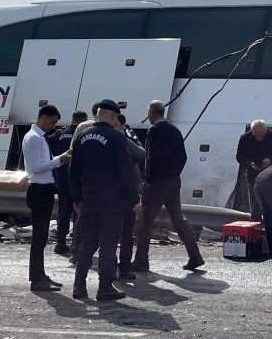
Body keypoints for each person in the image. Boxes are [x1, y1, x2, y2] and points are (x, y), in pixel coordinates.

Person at [69, 99, 141, 301]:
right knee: (108, 245)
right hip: (112, 202)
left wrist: (76, 198)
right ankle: (105, 288)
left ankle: (79, 287)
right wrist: (134, 199)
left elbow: (73, 171)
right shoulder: (116, 137)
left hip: (89, 200)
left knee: (87, 244)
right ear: (112, 116)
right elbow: (125, 172)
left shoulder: (82, 136)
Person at [132, 100, 204, 272]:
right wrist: (174, 174)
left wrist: (147, 182)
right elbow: (183, 157)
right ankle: (195, 256)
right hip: (173, 181)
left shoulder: (154, 131)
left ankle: (141, 260)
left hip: (157, 183)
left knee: (146, 221)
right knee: (178, 219)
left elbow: (151, 158)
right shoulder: (175, 130)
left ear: (152, 113)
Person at [22, 105, 71, 292]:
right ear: (43, 117)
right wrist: (60, 161)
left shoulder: (39, 137)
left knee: (42, 238)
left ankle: (40, 275)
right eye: (52, 122)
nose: (53, 127)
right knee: (39, 238)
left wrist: (61, 157)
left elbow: (44, 163)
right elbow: (36, 167)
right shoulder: (34, 138)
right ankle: (36, 279)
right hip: (39, 190)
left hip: (45, 189)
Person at [67, 101, 100, 264]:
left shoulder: (82, 127)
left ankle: (76, 250)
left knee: (81, 216)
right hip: (101, 182)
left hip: (83, 178)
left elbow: (72, 151)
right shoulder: (109, 128)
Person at [51, 110, 87, 255]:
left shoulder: (59, 134)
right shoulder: (82, 135)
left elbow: (53, 154)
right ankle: (75, 245)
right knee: (78, 214)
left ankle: (60, 243)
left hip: (62, 180)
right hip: (77, 181)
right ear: (83, 121)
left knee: (63, 214)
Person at [235, 119, 272, 220]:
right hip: (253, 174)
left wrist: (271, 160)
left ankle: (271, 224)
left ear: (266, 130)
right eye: (256, 135)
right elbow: (239, 156)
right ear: (252, 132)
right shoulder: (245, 138)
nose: (259, 138)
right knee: (254, 205)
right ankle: (255, 224)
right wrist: (250, 163)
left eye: (261, 135)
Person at [115, 113, 145, 280]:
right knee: (123, 232)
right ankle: (122, 267)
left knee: (118, 232)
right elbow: (141, 154)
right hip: (124, 193)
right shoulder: (121, 140)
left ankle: (116, 268)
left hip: (115, 194)